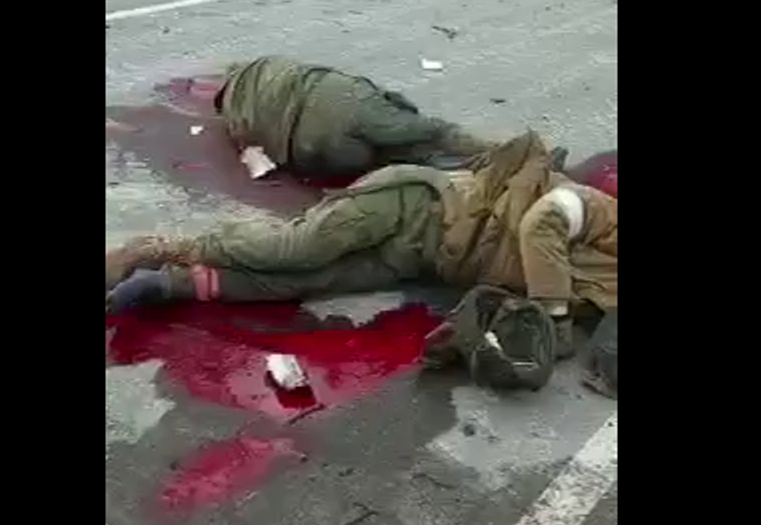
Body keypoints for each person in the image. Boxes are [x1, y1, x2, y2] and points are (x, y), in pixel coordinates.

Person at [106, 132, 617, 383]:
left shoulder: (608, 296)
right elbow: (546, 217)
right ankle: (157, 249)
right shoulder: (608, 218)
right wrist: (555, 313)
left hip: (419, 257)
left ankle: (170, 284)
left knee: (309, 282)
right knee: (295, 250)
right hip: (417, 205)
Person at [214, 56, 495, 176]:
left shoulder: (235, 120)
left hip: (313, 149)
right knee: (432, 131)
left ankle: (469, 169)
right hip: (341, 103)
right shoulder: (265, 66)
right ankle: (502, 152)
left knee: (401, 157)